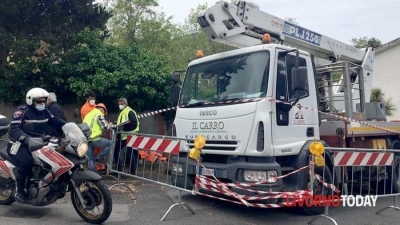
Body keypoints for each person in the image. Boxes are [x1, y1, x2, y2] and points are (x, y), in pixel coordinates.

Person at [7, 87, 65, 203]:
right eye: (39, 101)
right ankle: (20, 191)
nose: (42, 103)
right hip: (19, 145)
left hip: (38, 144)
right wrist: (25, 138)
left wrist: (69, 126)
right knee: (27, 162)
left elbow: (55, 121)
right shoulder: (22, 111)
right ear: (30, 100)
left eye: (43, 101)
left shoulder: (45, 112)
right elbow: (13, 129)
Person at [83, 103, 112, 172]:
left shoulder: (89, 114)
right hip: (94, 139)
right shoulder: (99, 114)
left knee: (90, 159)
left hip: (86, 139)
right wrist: (109, 125)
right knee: (111, 143)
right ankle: (99, 157)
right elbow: (105, 127)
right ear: (102, 110)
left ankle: (94, 177)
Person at [114, 98, 139, 174]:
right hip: (123, 136)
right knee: (116, 152)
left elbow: (134, 123)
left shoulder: (129, 111)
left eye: (121, 104)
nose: (120, 105)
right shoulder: (123, 112)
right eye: (119, 104)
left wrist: (124, 128)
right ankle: (119, 169)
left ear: (125, 103)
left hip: (130, 135)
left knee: (130, 153)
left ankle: (132, 171)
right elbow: (122, 123)